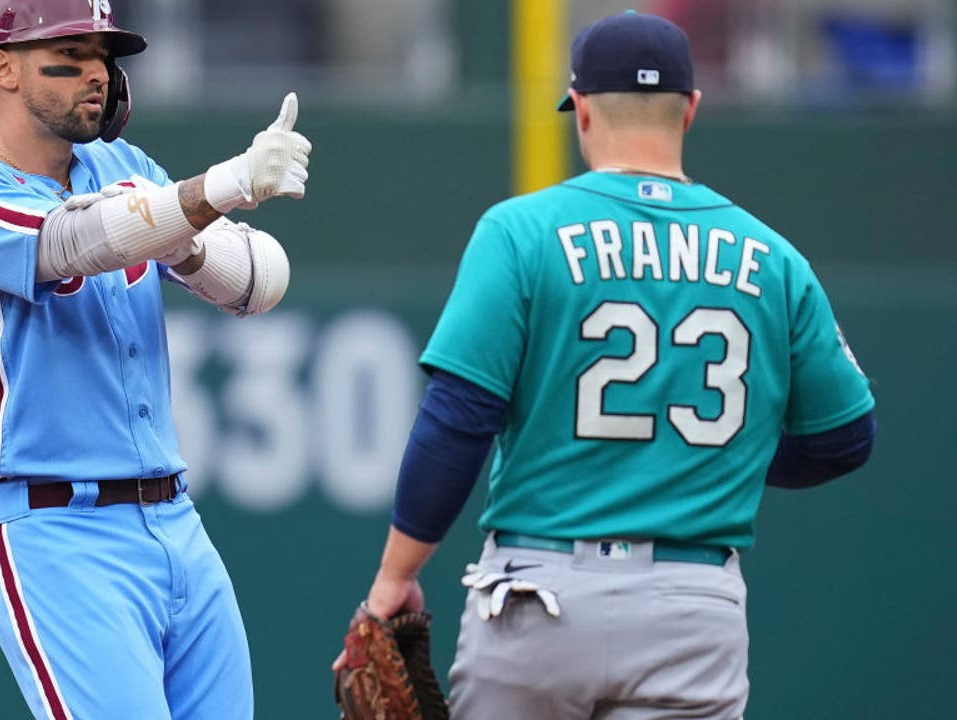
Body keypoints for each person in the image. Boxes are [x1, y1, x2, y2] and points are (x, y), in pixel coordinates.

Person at [337, 11, 876, 719]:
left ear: (581, 109)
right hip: (693, 606)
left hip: (540, 597)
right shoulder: (774, 259)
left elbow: (457, 419)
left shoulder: (520, 231)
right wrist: (712, 458)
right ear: (691, 110)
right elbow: (845, 438)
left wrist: (392, 581)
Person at [0, 1, 311, 717]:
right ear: (1, 68)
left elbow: (257, 284)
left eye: (103, 55)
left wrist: (182, 238)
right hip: (55, 531)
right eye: (69, 52)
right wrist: (223, 186)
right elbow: (74, 244)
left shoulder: (122, 165)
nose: (96, 73)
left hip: (175, 522)